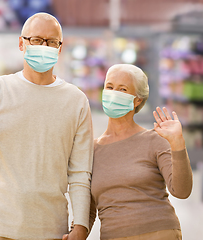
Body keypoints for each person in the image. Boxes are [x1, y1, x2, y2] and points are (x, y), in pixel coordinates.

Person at [0, 13, 93, 240]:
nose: (44, 46)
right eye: (36, 39)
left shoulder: (76, 100)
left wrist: (81, 225)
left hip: (50, 228)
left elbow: (80, 172)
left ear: (60, 48)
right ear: (21, 43)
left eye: (52, 42)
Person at [64, 64, 192, 240]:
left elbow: (182, 191)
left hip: (159, 233)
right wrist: (77, 231)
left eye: (122, 89)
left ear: (137, 99)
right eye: (109, 87)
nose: (113, 93)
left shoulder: (154, 140)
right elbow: (89, 207)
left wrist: (178, 144)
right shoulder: (91, 150)